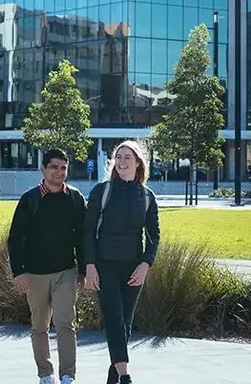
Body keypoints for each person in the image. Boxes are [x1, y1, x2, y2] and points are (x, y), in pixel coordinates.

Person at [83, 140, 160, 384]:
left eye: (128, 157)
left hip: (133, 268)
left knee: (125, 323)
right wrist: (90, 266)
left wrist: (145, 264)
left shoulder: (147, 197)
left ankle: (113, 375)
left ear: (138, 164)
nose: (122, 161)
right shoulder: (101, 192)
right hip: (105, 265)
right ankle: (125, 376)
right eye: (119, 157)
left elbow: (154, 236)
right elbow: (87, 232)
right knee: (114, 318)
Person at [7, 148, 87, 384]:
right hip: (34, 274)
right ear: (43, 169)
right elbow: (15, 238)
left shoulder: (75, 198)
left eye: (63, 168)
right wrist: (18, 272)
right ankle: (45, 374)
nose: (59, 172)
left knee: (65, 322)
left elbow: (81, 238)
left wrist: (82, 270)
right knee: (39, 326)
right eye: (54, 167)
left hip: (66, 271)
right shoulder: (29, 200)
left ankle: (67, 375)